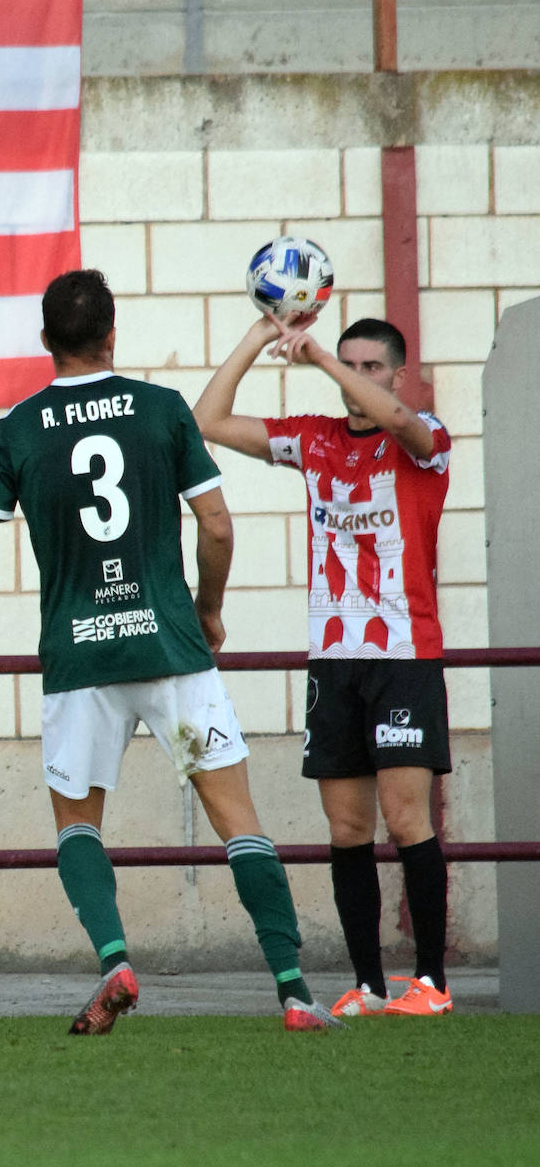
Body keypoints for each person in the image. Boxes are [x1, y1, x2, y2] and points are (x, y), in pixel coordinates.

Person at [0, 270, 338, 1034]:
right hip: (171, 649)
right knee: (237, 817)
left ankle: (115, 960)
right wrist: (208, 610)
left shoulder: (17, 427)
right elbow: (216, 526)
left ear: (46, 342)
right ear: (114, 333)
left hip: (80, 661)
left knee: (79, 825)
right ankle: (294, 992)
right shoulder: (161, 410)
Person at [194, 313, 453, 1017]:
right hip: (334, 660)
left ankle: (430, 981)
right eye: (349, 364)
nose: (358, 378)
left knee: (407, 821)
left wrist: (322, 362)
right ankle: (369, 984)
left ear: (397, 373)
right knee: (346, 830)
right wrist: (256, 335)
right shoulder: (314, 438)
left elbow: (401, 420)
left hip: (404, 656)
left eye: (372, 367)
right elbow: (208, 420)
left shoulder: (424, 440)